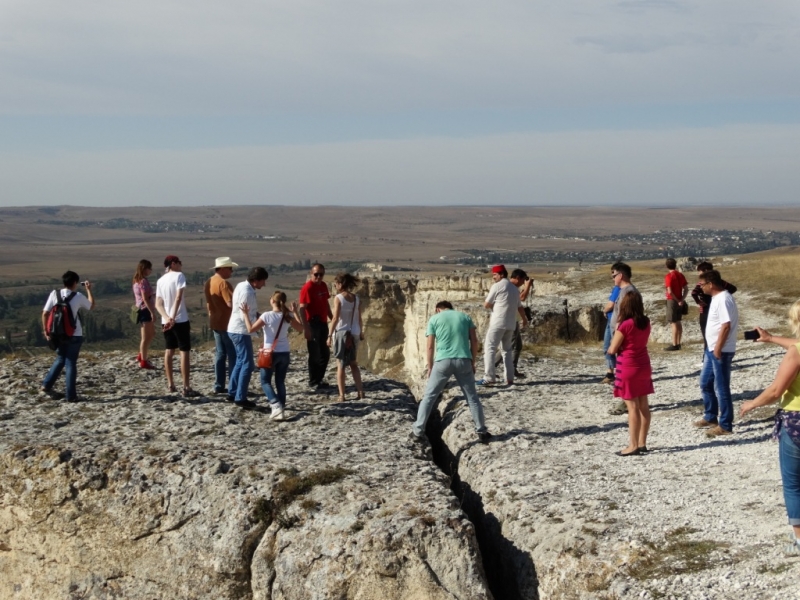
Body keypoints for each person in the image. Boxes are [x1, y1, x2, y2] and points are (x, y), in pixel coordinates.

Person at [740, 304, 800, 555]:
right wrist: (771, 338)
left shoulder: (796, 352)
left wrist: (752, 403)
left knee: (793, 483)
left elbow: (776, 391)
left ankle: (799, 539)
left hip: (796, 421)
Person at [411, 301, 491, 444]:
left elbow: (430, 346)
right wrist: (472, 362)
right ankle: (481, 430)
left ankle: (418, 431)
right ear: (451, 308)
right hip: (463, 360)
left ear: (437, 309)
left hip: (443, 361)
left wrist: (430, 367)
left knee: (429, 397)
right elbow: (474, 341)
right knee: (472, 398)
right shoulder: (465, 317)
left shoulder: (434, 319)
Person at [241, 291, 303, 421]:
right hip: (284, 352)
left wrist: (245, 314)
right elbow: (300, 328)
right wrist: (295, 313)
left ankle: (275, 405)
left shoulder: (267, 316)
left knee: (265, 381)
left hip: (269, 352)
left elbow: (251, 329)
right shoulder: (288, 315)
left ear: (272, 301)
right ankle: (282, 406)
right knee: (280, 381)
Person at [607, 291, 653, 456]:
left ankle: (632, 445)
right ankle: (642, 442)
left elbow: (612, 349)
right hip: (644, 365)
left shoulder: (625, 325)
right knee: (643, 406)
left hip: (628, 366)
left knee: (632, 407)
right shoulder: (646, 322)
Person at [694, 269, 738, 437]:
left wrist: (718, 348)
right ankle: (711, 415)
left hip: (721, 350)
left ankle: (725, 424)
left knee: (721, 388)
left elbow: (726, 325)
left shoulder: (723, 299)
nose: (701, 288)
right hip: (712, 349)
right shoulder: (717, 298)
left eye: (702, 285)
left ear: (710, 284)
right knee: (706, 383)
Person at [41, 271, 94, 402]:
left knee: (60, 358)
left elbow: (45, 313)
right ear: (75, 283)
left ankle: (46, 385)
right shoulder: (78, 296)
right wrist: (88, 290)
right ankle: (71, 395)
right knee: (70, 362)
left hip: (58, 334)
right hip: (74, 334)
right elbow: (91, 306)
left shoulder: (54, 294)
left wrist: (46, 331)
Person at [155, 255, 199, 398]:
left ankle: (171, 384)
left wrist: (167, 317)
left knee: (169, 350)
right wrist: (173, 317)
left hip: (165, 320)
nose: (181, 265)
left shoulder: (160, 280)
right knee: (184, 351)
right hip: (180, 319)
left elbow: (158, 303)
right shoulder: (179, 276)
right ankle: (186, 386)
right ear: (173, 264)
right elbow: (179, 297)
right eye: (179, 262)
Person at [477, 264, 528, 386]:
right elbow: (519, 307)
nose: (493, 277)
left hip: (498, 322)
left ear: (501, 274)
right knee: (507, 350)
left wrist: (495, 306)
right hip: (510, 324)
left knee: (489, 349)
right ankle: (509, 378)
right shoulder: (514, 289)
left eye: (494, 274)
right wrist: (524, 319)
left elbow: (486, 304)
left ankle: (489, 377)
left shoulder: (497, 286)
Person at [227, 266, 269, 408]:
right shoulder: (247, 292)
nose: (264, 284)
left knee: (240, 361)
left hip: (235, 328)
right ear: (256, 280)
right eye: (263, 281)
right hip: (241, 330)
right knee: (247, 364)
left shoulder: (241, 286)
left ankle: (233, 392)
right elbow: (243, 313)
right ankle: (241, 397)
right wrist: (255, 325)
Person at [327, 273, 365, 402]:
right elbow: (359, 318)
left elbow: (335, 318)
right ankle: (360, 392)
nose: (335, 286)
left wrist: (329, 335)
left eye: (336, 283)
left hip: (342, 333)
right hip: (354, 332)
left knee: (341, 364)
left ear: (341, 284)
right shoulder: (356, 299)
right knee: (353, 363)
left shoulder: (338, 298)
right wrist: (361, 332)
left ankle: (342, 395)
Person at [204, 257, 238, 394]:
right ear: (223, 269)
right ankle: (233, 386)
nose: (231, 271)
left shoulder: (209, 282)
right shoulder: (224, 284)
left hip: (215, 321)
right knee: (233, 355)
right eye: (230, 269)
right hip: (228, 323)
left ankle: (219, 384)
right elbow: (231, 303)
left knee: (220, 354)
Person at [609, 262, 637, 415]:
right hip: (620, 335)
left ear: (621, 275)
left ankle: (627, 402)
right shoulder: (623, 290)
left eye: (614, 276)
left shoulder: (629, 292)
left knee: (625, 371)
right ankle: (626, 400)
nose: (613, 279)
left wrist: (618, 338)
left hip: (623, 337)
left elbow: (625, 317)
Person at [298, 263, 333, 390]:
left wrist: (332, 318)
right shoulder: (308, 288)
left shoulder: (323, 286)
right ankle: (313, 381)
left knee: (325, 353)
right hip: (312, 323)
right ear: (311, 273)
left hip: (323, 323)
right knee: (315, 354)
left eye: (321, 274)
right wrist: (306, 328)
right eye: (316, 274)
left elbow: (326, 304)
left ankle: (319, 379)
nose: (318, 277)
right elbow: (302, 309)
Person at [690, 261, 737, 347]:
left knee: (707, 334)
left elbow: (693, 293)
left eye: (700, 271)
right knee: (719, 332)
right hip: (718, 309)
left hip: (705, 310)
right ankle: (719, 351)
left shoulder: (702, 283)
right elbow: (733, 288)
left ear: (706, 271)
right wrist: (724, 295)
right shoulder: (720, 282)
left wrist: (699, 302)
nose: (699, 274)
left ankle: (708, 355)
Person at [506, 268, 534, 379]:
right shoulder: (510, 287)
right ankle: (493, 366)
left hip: (514, 319)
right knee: (511, 346)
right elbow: (522, 298)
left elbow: (519, 300)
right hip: (510, 320)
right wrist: (527, 286)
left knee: (517, 345)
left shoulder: (511, 287)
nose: (523, 283)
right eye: (523, 280)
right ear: (517, 278)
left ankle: (512, 368)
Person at [132, 259, 156, 370]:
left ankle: (142, 354)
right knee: (146, 337)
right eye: (149, 268)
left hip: (141, 309)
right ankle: (143, 361)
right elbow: (145, 298)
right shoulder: (143, 282)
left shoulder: (136, 280)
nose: (150, 271)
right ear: (144, 269)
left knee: (149, 335)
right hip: (145, 310)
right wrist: (152, 312)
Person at [663, 258, 688, 351]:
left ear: (666, 266)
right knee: (678, 321)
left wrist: (677, 300)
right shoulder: (680, 275)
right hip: (679, 299)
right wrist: (682, 299)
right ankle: (678, 342)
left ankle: (674, 344)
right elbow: (686, 289)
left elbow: (669, 291)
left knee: (673, 323)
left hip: (672, 301)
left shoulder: (669, 276)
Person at [601, 273, 621, 384]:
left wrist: (604, 311)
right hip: (613, 320)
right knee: (610, 347)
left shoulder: (618, 289)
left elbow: (610, 305)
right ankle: (611, 373)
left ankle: (612, 374)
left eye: (614, 275)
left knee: (609, 347)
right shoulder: (619, 289)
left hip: (613, 321)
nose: (612, 278)